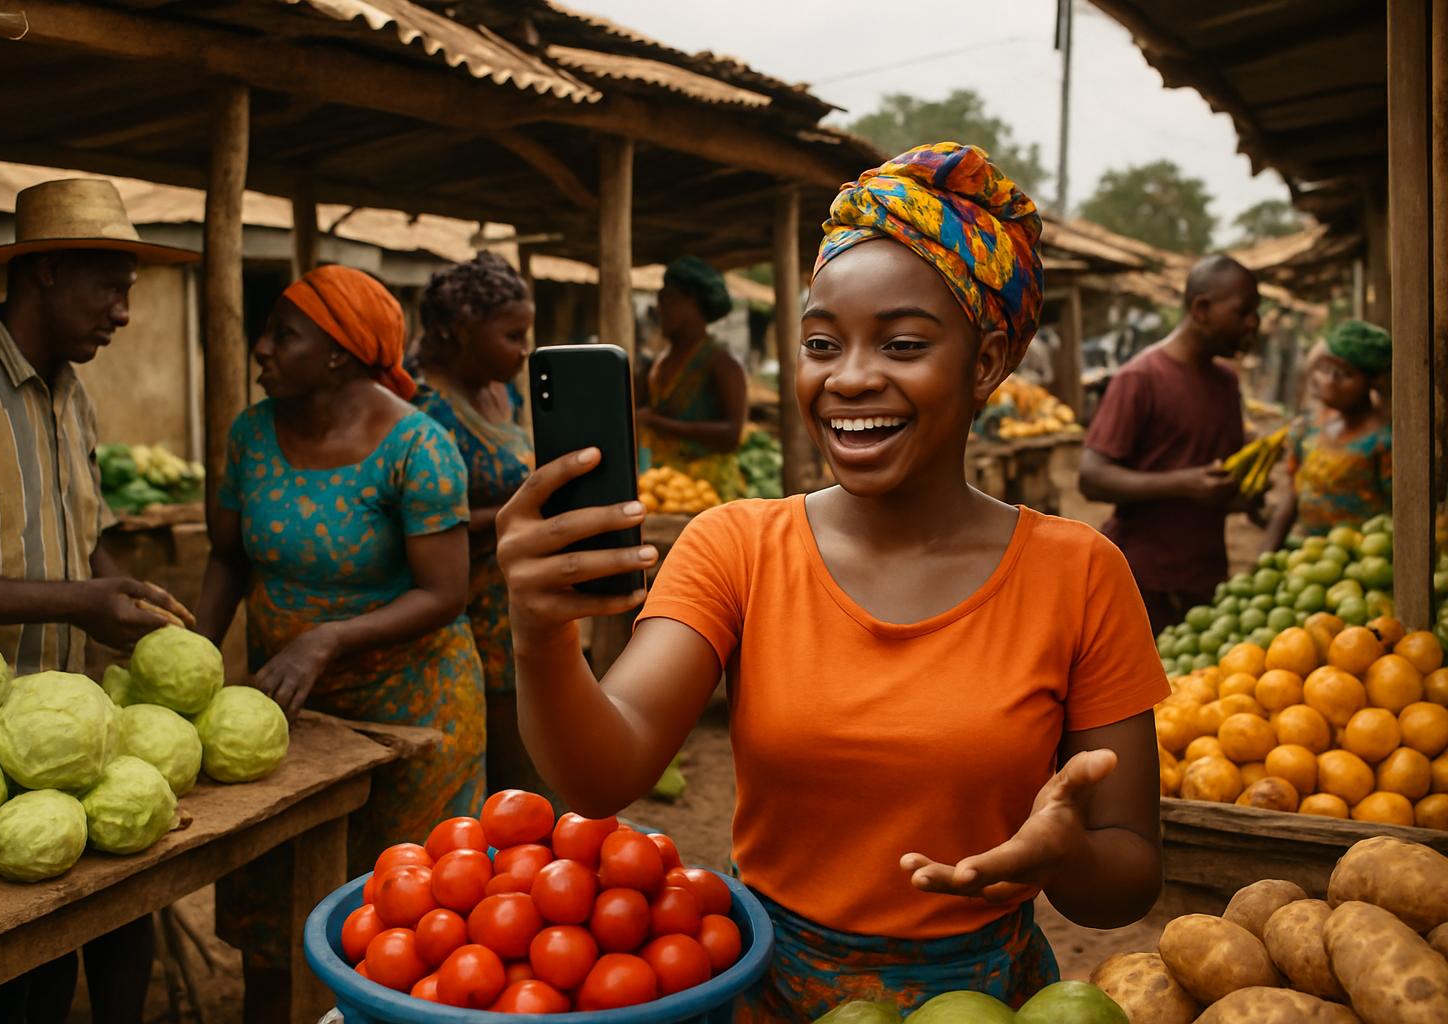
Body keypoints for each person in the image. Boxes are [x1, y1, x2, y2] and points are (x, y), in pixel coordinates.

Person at [495, 143, 1166, 1019]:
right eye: (820, 343)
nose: (848, 378)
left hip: (983, 1004)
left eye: (902, 343)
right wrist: (540, 632)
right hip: (758, 983)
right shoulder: (735, 546)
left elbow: (1128, 873)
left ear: (989, 360)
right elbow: (601, 772)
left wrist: (1062, 855)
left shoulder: (1079, 573)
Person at [0, 177, 196, 1023]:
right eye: (109, 286)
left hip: (70, 740)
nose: (123, 312)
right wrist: (81, 602)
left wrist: (121, 591)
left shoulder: (75, 398)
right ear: (45, 271)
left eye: (130, 291)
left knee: (103, 934)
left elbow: (85, 539)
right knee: (2, 984)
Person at [194, 264, 482, 1023]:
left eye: (281, 334)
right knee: (275, 911)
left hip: (416, 713)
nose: (259, 347)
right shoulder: (252, 433)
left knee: (407, 923)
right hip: (284, 714)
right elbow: (228, 555)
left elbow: (444, 593)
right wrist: (190, 660)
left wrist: (326, 640)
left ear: (339, 355)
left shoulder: (419, 448)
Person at [408, 252, 554, 797]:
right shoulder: (420, 409)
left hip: (516, 599)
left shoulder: (501, 391)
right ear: (464, 331)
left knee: (532, 764)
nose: (523, 351)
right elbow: (427, 524)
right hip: (461, 613)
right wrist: (529, 510)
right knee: (494, 777)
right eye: (512, 336)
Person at [1079, 255, 1260, 634]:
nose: (1253, 324)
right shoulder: (1140, 378)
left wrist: (1245, 493)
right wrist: (1184, 485)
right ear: (1202, 309)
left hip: (1205, 580)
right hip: (1142, 584)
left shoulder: (1226, 383)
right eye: (1243, 312)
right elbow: (1092, 477)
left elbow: (1213, 474)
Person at [1263, 319, 1392, 547]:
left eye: (1344, 374)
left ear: (1372, 381)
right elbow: (1293, 495)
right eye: (1325, 368)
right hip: (1313, 559)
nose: (1329, 381)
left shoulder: (1385, 441)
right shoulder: (1305, 429)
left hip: (1367, 562)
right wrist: (1265, 552)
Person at [636, 256, 748, 501]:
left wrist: (660, 424)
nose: (659, 309)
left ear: (692, 302)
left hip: (707, 493)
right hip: (661, 487)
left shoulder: (720, 364)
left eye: (666, 299)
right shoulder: (657, 362)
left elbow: (731, 435)